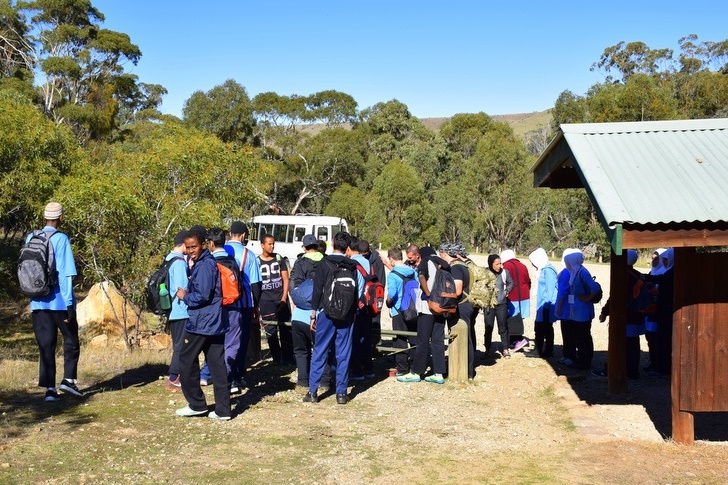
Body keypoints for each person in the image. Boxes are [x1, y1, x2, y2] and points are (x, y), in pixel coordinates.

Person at [27, 202, 83, 402]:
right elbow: (66, 274)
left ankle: (49, 390)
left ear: (44, 217)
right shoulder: (61, 239)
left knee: (46, 345)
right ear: (61, 218)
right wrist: (70, 305)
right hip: (59, 302)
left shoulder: (31, 237)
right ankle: (68, 380)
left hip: (37, 302)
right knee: (71, 340)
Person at [175, 228, 231, 420]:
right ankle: (223, 410)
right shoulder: (202, 263)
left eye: (194, 247)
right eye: (188, 247)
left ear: (204, 245)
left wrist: (185, 295)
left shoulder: (205, 266)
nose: (191, 250)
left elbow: (203, 295)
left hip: (203, 322)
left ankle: (197, 404)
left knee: (185, 359)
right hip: (213, 321)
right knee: (216, 365)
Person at [303, 231, 358, 405]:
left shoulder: (324, 264)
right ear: (348, 248)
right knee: (343, 353)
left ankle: (313, 392)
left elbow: (318, 291)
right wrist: (353, 313)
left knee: (319, 350)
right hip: (346, 314)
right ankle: (341, 393)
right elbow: (355, 293)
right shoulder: (352, 266)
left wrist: (313, 314)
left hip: (326, 313)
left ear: (333, 243)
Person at [206, 227, 246, 394]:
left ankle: (213, 376)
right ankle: (228, 377)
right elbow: (240, 286)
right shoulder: (233, 261)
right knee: (232, 345)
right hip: (234, 308)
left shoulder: (209, 263)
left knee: (213, 346)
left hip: (214, 310)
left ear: (211, 243)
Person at [403, 246, 449, 383]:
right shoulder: (442, 263)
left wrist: (428, 294)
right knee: (438, 340)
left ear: (421, 254)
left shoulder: (426, 262)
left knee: (422, 340)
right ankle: (439, 373)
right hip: (441, 307)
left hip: (427, 308)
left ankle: (416, 372)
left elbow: (422, 276)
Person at [289, 234, 329, 389]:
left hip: (299, 314)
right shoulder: (326, 262)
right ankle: (324, 381)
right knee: (321, 348)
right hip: (318, 313)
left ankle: (303, 380)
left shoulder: (299, 263)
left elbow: (293, 287)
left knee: (300, 350)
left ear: (304, 247)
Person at [597, 250, 645, 379]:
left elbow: (614, 297)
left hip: (623, 316)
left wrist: (604, 312)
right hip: (637, 316)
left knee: (618, 344)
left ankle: (614, 371)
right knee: (634, 345)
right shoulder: (639, 275)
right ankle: (633, 372)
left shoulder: (622, 275)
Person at [438, 242, 477, 379]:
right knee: (468, 337)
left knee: (463, 338)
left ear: (445, 253)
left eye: (440, 254)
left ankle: (465, 371)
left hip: (461, 307)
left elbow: (457, 290)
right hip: (467, 305)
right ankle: (467, 371)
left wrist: (440, 294)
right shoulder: (464, 265)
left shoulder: (456, 268)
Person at [561, 249, 600, 371]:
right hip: (576, 312)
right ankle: (580, 359)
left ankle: (585, 361)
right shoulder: (575, 272)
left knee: (584, 337)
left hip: (583, 312)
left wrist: (587, 298)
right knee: (578, 337)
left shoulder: (583, 272)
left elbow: (595, 288)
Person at [258, 234, 293, 365]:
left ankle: (288, 358)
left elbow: (285, 279)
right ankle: (277, 358)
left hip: (281, 299)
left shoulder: (279, 259)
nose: (272, 246)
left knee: (286, 328)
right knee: (270, 331)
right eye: (269, 244)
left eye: (273, 243)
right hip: (266, 301)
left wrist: (284, 298)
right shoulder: (257, 261)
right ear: (262, 245)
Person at [383, 247, 419, 381]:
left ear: (391, 259)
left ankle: (402, 369)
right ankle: (415, 367)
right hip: (413, 309)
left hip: (399, 311)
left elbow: (392, 294)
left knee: (400, 339)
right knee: (414, 338)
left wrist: (388, 301)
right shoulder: (412, 271)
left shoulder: (393, 275)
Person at [164, 230, 190, 391]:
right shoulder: (179, 262)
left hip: (171, 309)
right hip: (180, 310)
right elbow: (182, 289)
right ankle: (174, 377)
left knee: (178, 343)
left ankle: (178, 374)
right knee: (181, 344)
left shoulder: (168, 259)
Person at [644, 248, 674, 378]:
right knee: (653, 338)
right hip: (657, 310)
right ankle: (655, 364)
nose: (663, 262)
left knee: (662, 340)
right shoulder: (667, 271)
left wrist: (643, 277)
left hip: (664, 311)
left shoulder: (670, 272)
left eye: (665, 259)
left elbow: (660, 280)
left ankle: (662, 367)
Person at [348, 237, 375, 381]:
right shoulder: (367, 262)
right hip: (368, 305)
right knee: (367, 338)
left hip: (357, 306)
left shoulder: (352, 263)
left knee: (355, 339)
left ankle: (357, 371)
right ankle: (369, 369)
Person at [528, 247, 558, 359]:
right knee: (542, 328)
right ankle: (541, 350)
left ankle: (543, 351)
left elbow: (551, 290)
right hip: (542, 304)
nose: (532, 265)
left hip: (546, 305)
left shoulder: (548, 271)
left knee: (544, 329)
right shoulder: (543, 269)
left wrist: (547, 305)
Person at [483, 254, 514, 359]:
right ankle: (487, 349)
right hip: (488, 305)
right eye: (497, 264)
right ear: (491, 264)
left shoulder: (505, 273)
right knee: (488, 327)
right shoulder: (484, 273)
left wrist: (506, 291)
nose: (500, 266)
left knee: (503, 327)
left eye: (501, 263)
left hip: (502, 304)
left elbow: (511, 283)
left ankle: (505, 348)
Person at [500, 249, 531, 352]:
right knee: (519, 317)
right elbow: (528, 280)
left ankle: (517, 341)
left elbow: (504, 281)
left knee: (511, 318)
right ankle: (516, 340)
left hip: (512, 295)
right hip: (524, 295)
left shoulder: (505, 266)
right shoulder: (523, 265)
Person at [643, 248, 666, 374]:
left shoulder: (664, 272)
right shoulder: (653, 271)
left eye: (656, 258)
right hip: (649, 310)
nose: (653, 260)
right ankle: (652, 363)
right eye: (652, 258)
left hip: (657, 311)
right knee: (650, 337)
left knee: (655, 339)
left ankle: (657, 364)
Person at [555, 248, 578, 365]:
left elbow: (563, 291)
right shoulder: (574, 271)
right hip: (571, 307)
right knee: (570, 332)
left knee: (567, 332)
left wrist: (558, 306)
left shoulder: (565, 272)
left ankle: (569, 355)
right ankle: (567, 354)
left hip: (565, 307)